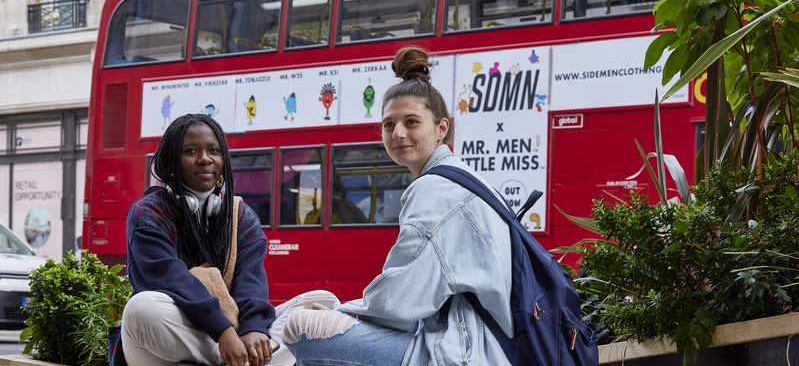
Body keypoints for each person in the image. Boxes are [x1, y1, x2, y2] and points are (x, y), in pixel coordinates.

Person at [282, 47, 514, 366]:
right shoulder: (462, 177)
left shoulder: (435, 187)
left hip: (466, 351)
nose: (398, 134)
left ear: (441, 128)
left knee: (302, 328)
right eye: (389, 124)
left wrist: (343, 313)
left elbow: (401, 297)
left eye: (412, 122)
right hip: (484, 343)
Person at [120, 114, 328, 366]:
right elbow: (171, 277)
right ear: (172, 160)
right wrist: (223, 332)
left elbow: (250, 279)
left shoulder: (240, 215)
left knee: (322, 301)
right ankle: (246, 359)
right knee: (141, 308)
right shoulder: (148, 212)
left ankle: (244, 355)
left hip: (228, 330)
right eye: (191, 150)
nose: (205, 158)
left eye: (214, 150)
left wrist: (254, 329)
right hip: (174, 332)